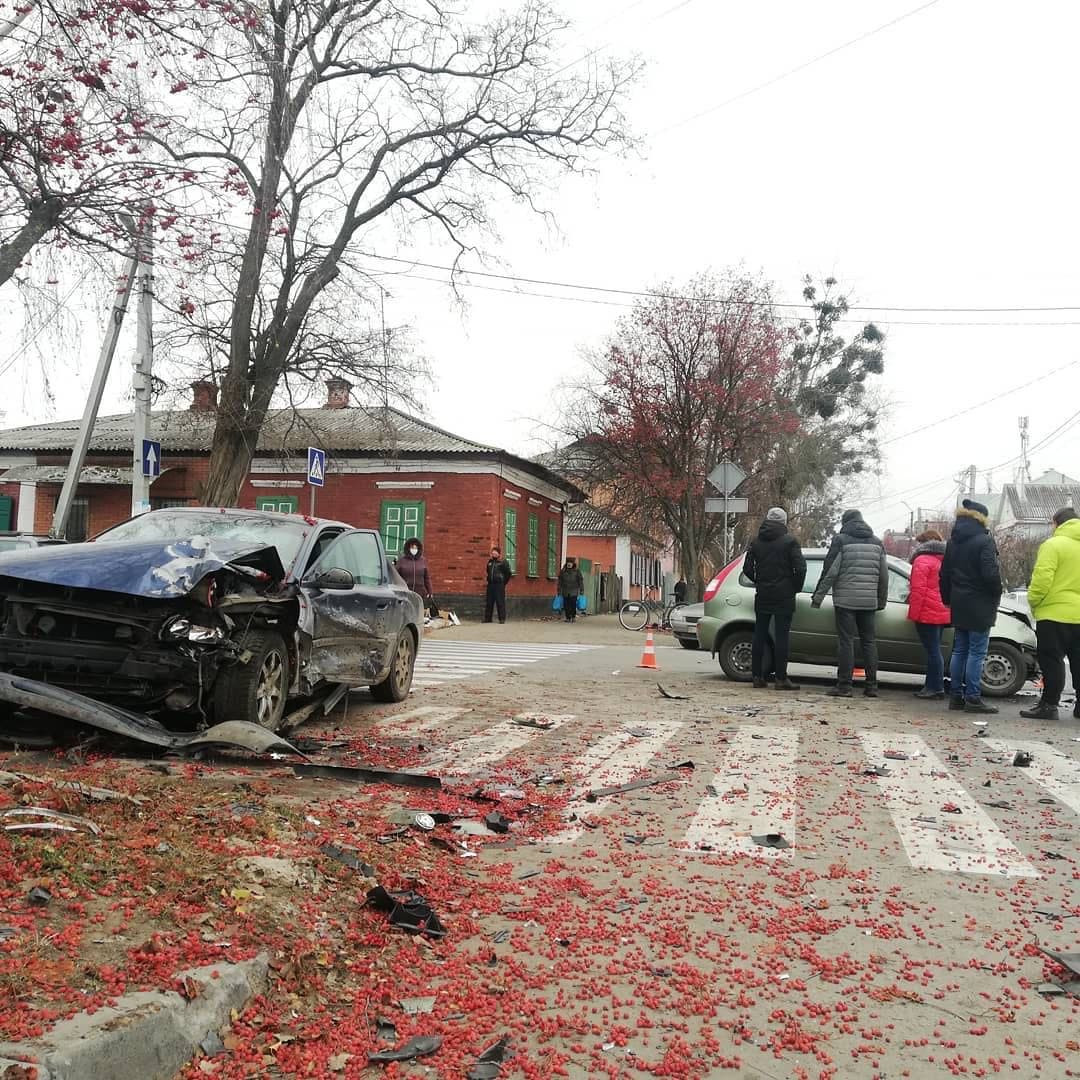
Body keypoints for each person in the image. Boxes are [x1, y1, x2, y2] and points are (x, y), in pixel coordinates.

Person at [811, 509, 888, 698]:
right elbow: (884, 576)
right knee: (869, 642)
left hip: (845, 601)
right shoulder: (877, 543)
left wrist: (818, 597)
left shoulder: (841, 540)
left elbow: (830, 570)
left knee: (846, 642)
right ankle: (872, 686)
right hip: (869, 602)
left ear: (845, 522)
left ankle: (844, 686)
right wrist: (880, 600)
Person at [939, 498, 1002, 714]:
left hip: (959, 602)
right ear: (982, 518)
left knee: (960, 650)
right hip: (980, 603)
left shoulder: (953, 541)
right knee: (977, 652)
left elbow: (944, 574)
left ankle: (956, 696)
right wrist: (996, 593)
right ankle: (973, 698)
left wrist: (948, 598)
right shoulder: (984, 541)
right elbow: (991, 574)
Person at [1019, 507, 1080, 721]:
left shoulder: (1053, 545)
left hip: (1054, 614)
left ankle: (1049, 704)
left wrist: (1034, 602)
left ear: (1057, 523)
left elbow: (1042, 580)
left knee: (1052, 660)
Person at [743, 506, 807, 690]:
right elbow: (801, 569)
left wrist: (760, 581)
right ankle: (780, 679)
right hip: (784, 596)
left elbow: (747, 569)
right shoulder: (790, 542)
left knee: (759, 634)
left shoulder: (756, 542)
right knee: (781, 637)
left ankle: (757, 677)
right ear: (784, 522)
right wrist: (795, 587)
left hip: (763, 594)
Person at [907, 529, 950, 700]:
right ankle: (931, 686)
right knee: (935, 649)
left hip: (927, 612)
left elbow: (918, 590)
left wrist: (914, 614)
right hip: (943, 611)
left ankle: (935, 687)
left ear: (924, 543)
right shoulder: (945, 560)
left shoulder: (922, 560)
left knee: (933, 651)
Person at [396, 538, 433, 613]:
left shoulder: (423, 561)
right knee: (406, 612)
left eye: (416, 548)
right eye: (412, 547)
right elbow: (396, 576)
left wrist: (430, 591)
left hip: (419, 593)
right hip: (405, 592)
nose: (414, 549)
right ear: (408, 548)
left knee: (417, 612)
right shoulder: (402, 561)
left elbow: (427, 578)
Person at [484, 545, 513, 624]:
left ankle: (502, 619)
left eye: (495, 553)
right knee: (489, 602)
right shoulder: (490, 562)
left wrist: (503, 582)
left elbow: (508, 573)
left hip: (499, 585)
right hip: (491, 584)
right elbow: (488, 571)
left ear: (499, 554)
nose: (494, 554)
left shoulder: (503, 562)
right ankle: (488, 618)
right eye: (492, 553)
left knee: (500, 602)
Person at [557, 557, 586, 623]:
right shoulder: (563, 571)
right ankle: (568, 617)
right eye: (568, 563)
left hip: (574, 590)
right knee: (566, 605)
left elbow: (580, 581)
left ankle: (573, 617)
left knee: (573, 604)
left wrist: (581, 590)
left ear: (573, 564)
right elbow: (560, 581)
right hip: (565, 590)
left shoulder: (577, 571)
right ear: (566, 563)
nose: (569, 564)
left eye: (571, 563)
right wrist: (559, 590)